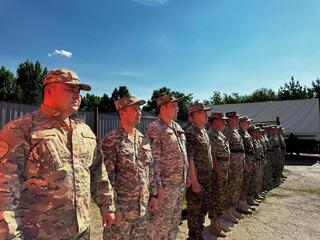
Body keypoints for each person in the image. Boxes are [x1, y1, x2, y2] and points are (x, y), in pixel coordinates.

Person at [0, 68, 115, 240]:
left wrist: (107, 206)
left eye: (79, 91)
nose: (77, 95)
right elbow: (4, 191)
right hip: (41, 233)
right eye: (70, 89)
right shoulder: (21, 130)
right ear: (49, 90)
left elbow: (98, 172)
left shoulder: (84, 131)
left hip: (82, 230)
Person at [100, 96, 158, 239]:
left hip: (142, 210)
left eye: (140, 109)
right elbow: (106, 178)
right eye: (134, 109)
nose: (139, 113)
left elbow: (149, 169)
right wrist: (113, 208)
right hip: (122, 213)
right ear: (122, 112)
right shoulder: (111, 140)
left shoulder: (142, 139)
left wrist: (154, 195)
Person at [146, 94, 189, 240]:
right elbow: (153, 161)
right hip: (165, 187)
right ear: (163, 108)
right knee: (159, 226)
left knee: (174, 222)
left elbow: (183, 154)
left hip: (178, 185)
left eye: (177, 105)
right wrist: (157, 187)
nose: (177, 108)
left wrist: (186, 175)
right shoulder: (155, 128)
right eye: (173, 105)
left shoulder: (176, 126)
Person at [185, 103, 212, 240]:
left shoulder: (204, 132)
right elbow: (190, 159)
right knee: (195, 209)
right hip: (198, 179)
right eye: (204, 112)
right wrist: (194, 181)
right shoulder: (190, 133)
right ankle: (193, 235)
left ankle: (199, 232)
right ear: (195, 115)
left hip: (206, 177)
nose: (207, 115)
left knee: (203, 208)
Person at [207, 112, 231, 237]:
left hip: (224, 170)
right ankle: (213, 225)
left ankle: (218, 222)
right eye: (222, 120)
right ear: (215, 121)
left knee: (221, 197)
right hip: (218, 173)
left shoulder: (220, 134)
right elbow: (213, 157)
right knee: (215, 198)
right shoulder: (211, 135)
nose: (224, 122)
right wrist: (218, 173)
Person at [222, 111, 245, 222]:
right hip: (232, 165)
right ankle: (226, 211)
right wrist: (229, 165)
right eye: (235, 119)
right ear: (229, 119)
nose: (237, 121)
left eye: (237, 118)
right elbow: (226, 149)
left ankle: (232, 209)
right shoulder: (226, 130)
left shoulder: (234, 131)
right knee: (230, 188)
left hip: (238, 164)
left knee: (236, 187)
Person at [238, 116, 255, 214]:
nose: (248, 124)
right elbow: (242, 150)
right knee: (243, 183)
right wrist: (244, 163)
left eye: (248, 122)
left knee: (247, 181)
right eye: (246, 122)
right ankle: (241, 203)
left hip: (250, 160)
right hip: (244, 161)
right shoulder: (240, 133)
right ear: (241, 123)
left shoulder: (246, 133)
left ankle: (243, 201)